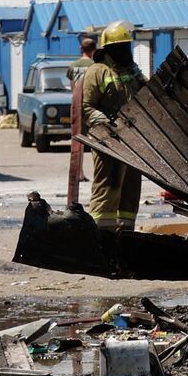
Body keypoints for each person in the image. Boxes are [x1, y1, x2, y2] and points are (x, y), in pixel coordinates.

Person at [81, 21, 146, 232]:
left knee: (131, 191)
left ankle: (125, 236)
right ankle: (101, 236)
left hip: (133, 141)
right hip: (107, 141)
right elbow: (86, 106)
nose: (125, 51)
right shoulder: (97, 71)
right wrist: (107, 125)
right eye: (120, 47)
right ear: (108, 49)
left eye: (127, 46)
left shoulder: (131, 70)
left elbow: (147, 95)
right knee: (107, 189)